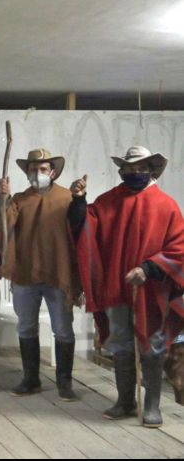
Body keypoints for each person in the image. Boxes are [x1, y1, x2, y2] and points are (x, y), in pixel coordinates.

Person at [69, 146, 184, 427]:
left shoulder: (166, 205)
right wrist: (79, 202)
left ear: (152, 170)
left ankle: (152, 406)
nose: (133, 173)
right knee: (121, 344)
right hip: (117, 288)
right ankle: (125, 401)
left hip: (152, 292)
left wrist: (148, 269)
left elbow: (179, 248)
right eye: (128, 169)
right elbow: (84, 227)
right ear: (121, 172)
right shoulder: (109, 201)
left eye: (140, 168)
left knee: (152, 346)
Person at [0, 148, 81, 400]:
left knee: (63, 329)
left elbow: (81, 225)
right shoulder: (19, 199)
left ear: (52, 172)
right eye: (33, 169)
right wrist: (2, 199)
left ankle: (65, 382)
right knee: (26, 327)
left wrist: (81, 199)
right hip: (25, 273)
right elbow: (3, 223)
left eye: (42, 169)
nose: (37, 173)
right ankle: (31, 379)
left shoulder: (67, 198)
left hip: (57, 274)